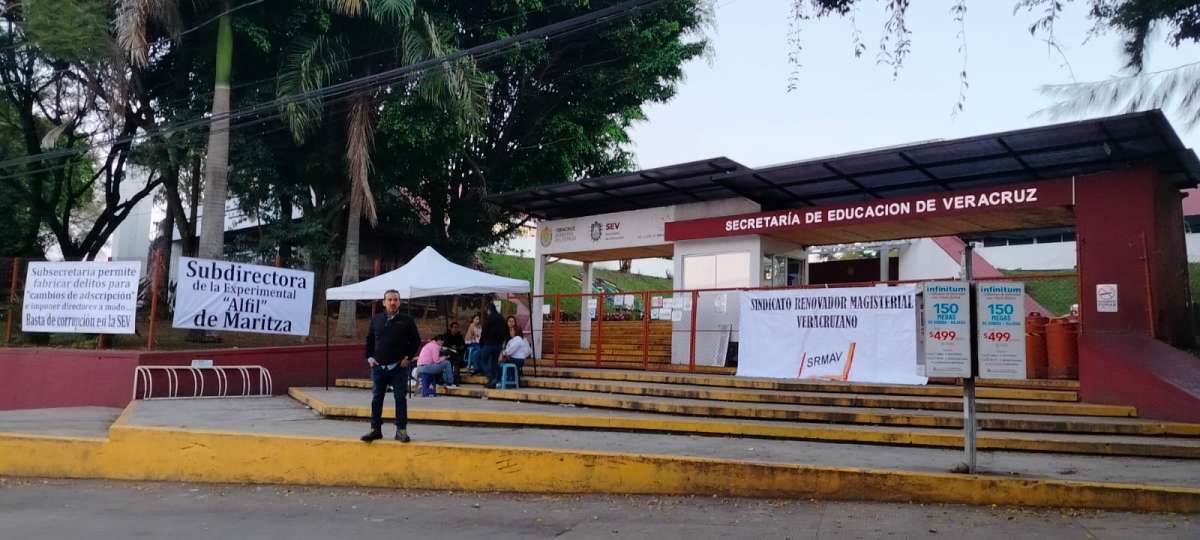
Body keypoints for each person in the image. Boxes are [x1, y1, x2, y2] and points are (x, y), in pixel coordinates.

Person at [361, 289, 421, 443]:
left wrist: (408, 357)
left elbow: (415, 341)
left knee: (400, 398)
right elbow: (369, 340)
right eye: (390, 299)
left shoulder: (407, 320)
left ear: (399, 302)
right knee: (376, 398)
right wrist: (369, 357)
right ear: (384, 302)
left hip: (398, 368)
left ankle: (401, 430)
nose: (393, 302)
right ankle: (375, 429)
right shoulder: (376, 319)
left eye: (395, 299)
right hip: (378, 367)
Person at [479, 301, 508, 388]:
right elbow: (506, 330)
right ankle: (493, 382)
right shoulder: (501, 318)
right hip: (498, 344)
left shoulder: (489, 319)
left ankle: (490, 376)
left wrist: (481, 342)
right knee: (494, 362)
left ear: (489, 310)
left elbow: (484, 332)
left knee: (481, 358)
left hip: (489, 344)